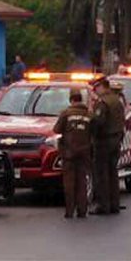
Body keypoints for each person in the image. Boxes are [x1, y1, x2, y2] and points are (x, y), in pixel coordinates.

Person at [53, 89, 93, 219]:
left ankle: (69, 211)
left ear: (71, 100)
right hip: (85, 152)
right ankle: (82, 211)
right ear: (80, 99)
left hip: (69, 153)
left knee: (69, 183)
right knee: (82, 181)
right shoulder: (89, 115)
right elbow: (94, 131)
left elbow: (56, 129)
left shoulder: (65, 114)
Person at [90, 77, 125, 215]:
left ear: (102, 86)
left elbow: (99, 122)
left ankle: (103, 205)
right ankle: (114, 204)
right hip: (116, 139)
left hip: (104, 140)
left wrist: (91, 134)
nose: (95, 90)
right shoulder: (117, 100)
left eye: (96, 87)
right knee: (113, 172)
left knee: (101, 173)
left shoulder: (103, 102)